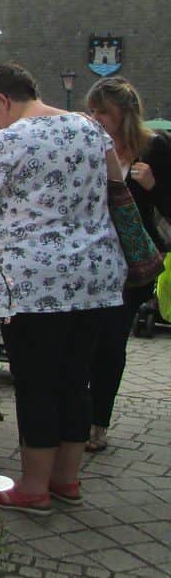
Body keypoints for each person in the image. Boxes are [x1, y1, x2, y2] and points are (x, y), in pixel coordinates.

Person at [0, 63, 126, 516]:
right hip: (96, 277)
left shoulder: (8, 141)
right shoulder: (90, 129)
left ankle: (34, 488)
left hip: (35, 283)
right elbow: (117, 187)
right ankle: (66, 480)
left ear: (2, 101)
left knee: (37, 383)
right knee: (75, 380)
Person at [84, 76, 171, 451]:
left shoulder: (155, 148)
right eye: (92, 110)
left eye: (103, 111)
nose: (95, 118)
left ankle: (97, 423)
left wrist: (153, 186)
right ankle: (78, 416)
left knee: (111, 341)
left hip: (132, 265)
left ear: (124, 113)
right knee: (86, 340)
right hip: (91, 260)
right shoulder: (91, 146)